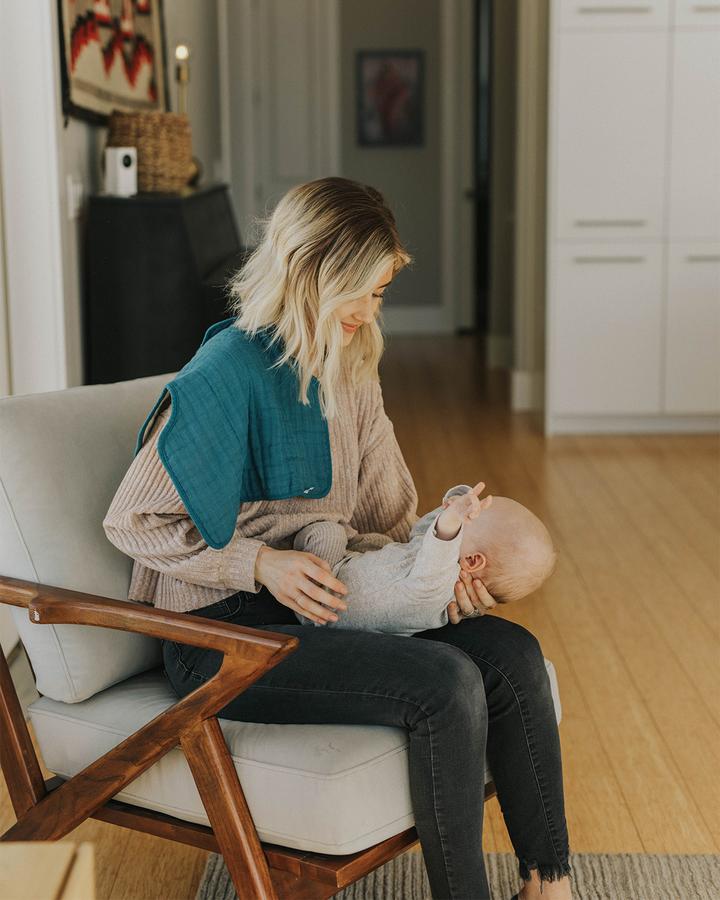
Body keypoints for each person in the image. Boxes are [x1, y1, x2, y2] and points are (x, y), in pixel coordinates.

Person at [103, 176, 572, 900]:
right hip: (221, 633)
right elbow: (130, 520)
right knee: (445, 685)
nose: (370, 309)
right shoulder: (226, 373)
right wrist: (261, 563)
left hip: (332, 600)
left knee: (514, 654)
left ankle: (550, 885)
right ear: (311, 270)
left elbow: (387, 515)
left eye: (380, 291)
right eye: (361, 289)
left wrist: (436, 571)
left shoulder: (350, 364)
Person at [291, 482, 558, 635]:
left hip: (321, 598)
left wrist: (453, 516)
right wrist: (456, 502)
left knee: (327, 530)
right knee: (380, 543)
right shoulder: (439, 582)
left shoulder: (436, 581)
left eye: (469, 520)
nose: (463, 517)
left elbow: (441, 540)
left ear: (473, 561)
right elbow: (423, 533)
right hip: (359, 606)